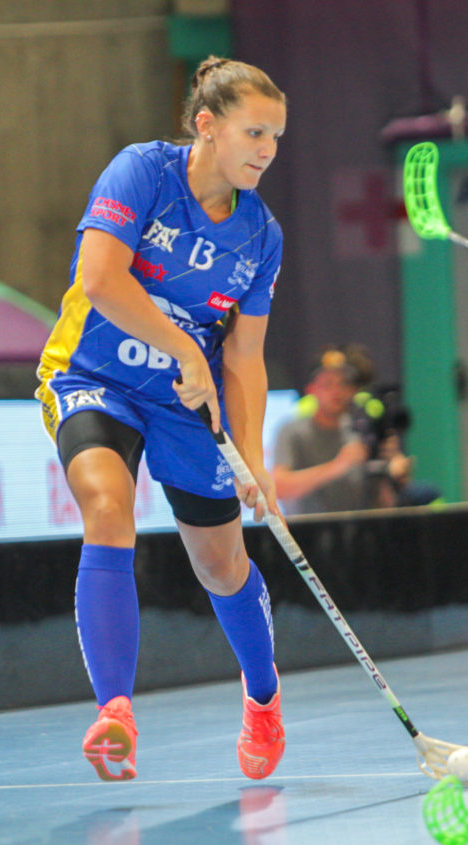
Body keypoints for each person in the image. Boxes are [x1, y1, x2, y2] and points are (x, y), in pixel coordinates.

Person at [34, 56, 287, 782]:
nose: (267, 149)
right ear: (205, 126)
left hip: (184, 405)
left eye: (276, 136)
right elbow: (99, 279)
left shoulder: (260, 236)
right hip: (93, 375)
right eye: (254, 131)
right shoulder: (141, 173)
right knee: (107, 507)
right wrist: (181, 345)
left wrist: (254, 456)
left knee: (221, 562)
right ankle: (116, 712)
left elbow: (244, 357)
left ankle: (263, 696)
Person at [271, 346, 428, 514]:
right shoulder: (292, 431)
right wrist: (337, 466)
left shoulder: (362, 429)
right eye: (328, 384)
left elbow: (384, 502)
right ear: (311, 390)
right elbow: (279, 487)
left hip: (358, 532)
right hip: (307, 533)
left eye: (344, 383)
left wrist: (393, 474)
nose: (337, 391)